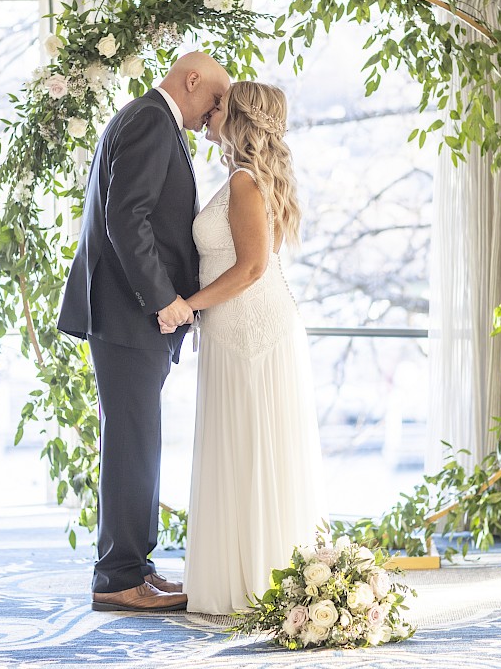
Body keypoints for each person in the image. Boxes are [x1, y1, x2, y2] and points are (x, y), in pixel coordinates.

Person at [58, 52, 231, 613]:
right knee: (133, 445)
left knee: (138, 442)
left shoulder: (151, 120)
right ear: (191, 79)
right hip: (132, 314)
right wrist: (166, 302)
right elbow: (125, 217)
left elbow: (138, 217)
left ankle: (134, 565)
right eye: (213, 100)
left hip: (128, 315)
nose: (214, 115)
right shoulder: (152, 120)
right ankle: (117, 578)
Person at [162, 81, 325, 615]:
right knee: (241, 446)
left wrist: (189, 304)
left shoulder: (244, 182)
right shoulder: (242, 178)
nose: (211, 112)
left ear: (239, 119)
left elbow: (252, 268)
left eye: (221, 107)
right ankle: (243, 576)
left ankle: (259, 579)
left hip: (252, 329)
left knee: (255, 447)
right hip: (234, 330)